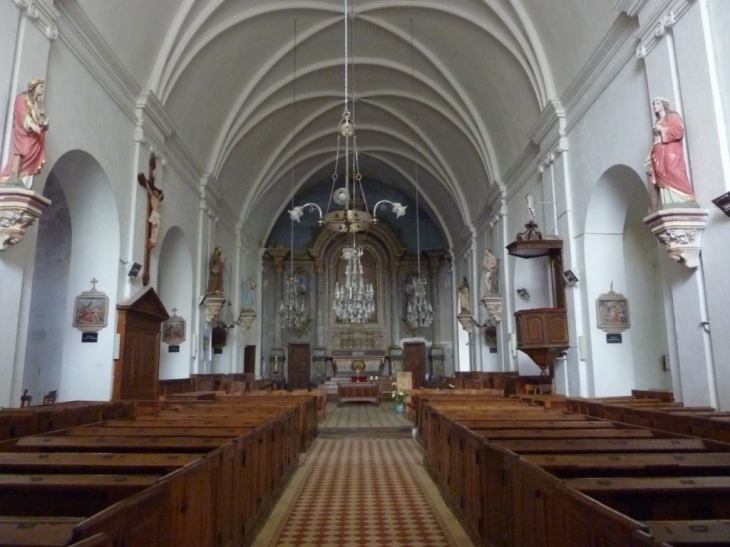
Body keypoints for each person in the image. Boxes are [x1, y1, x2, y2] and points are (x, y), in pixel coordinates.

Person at [645, 97, 695, 209]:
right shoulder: (658, 121)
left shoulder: (672, 116)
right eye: (654, 104)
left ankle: (682, 197)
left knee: (672, 170)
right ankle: (667, 201)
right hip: (658, 152)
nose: (654, 106)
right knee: (660, 175)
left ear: (664, 105)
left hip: (670, 150)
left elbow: (679, 131)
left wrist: (662, 130)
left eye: (657, 103)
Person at [0, 79, 49, 187]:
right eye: (41, 86)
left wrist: (44, 124)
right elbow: (21, 112)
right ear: (34, 87)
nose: (43, 89)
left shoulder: (38, 104)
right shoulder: (22, 98)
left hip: (36, 138)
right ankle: (6, 177)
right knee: (24, 153)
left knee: (30, 159)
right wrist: (32, 125)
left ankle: (23, 181)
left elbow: (41, 119)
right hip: (25, 135)